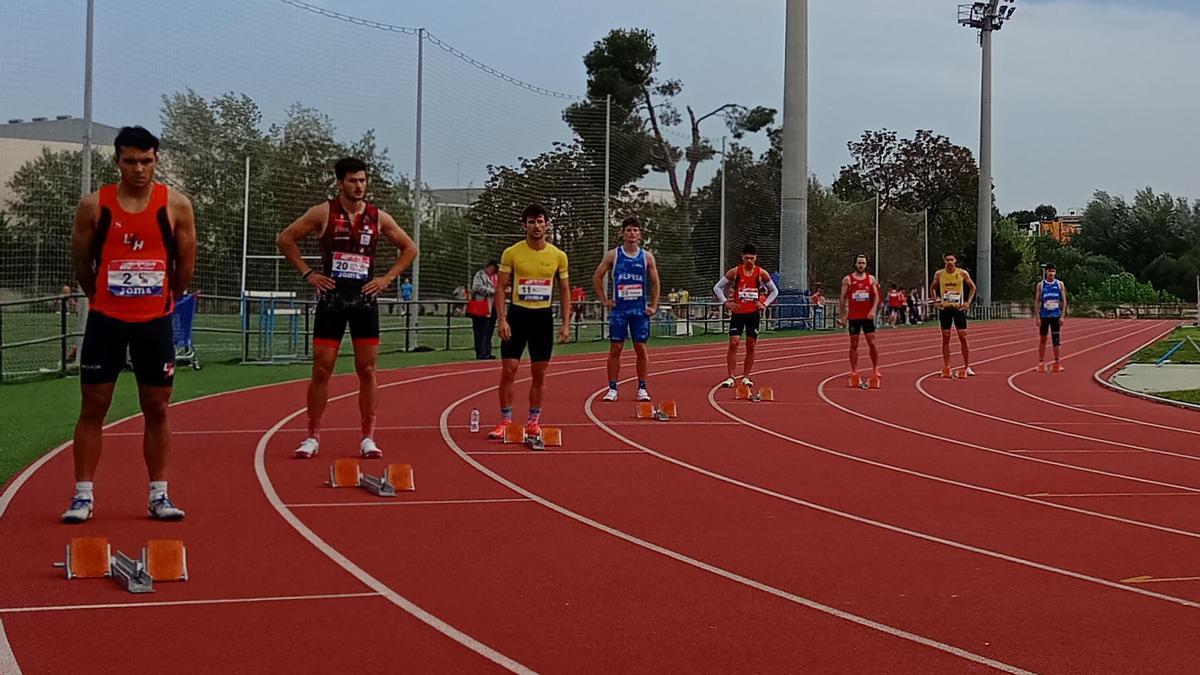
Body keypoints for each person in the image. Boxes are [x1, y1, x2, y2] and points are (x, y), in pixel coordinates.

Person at [62, 125, 197, 523]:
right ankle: (82, 495)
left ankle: (159, 495)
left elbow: (185, 264)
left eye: (146, 160)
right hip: (106, 320)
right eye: (130, 161)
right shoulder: (94, 205)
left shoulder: (176, 205)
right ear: (117, 160)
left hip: (154, 322)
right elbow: (82, 262)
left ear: (156, 160)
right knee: (94, 406)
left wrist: (165, 299)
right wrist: (98, 296)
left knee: (156, 407)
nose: (138, 168)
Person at [277, 157, 418, 460]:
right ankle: (312, 435)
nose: (359, 186)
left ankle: (368, 437)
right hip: (332, 300)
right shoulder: (322, 213)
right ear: (340, 182)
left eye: (363, 180)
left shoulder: (378, 217)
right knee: (322, 369)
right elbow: (285, 239)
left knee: (367, 370)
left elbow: (410, 248)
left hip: (365, 300)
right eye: (353, 180)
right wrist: (308, 273)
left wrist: (387, 278)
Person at [487, 204, 571, 442]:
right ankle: (505, 420)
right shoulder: (512, 253)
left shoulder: (558, 256)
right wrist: (502, 319)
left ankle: (533, 421)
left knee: (539, 372)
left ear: (547, 225)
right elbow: (500, 288)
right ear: (524, 225)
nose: (536, 226)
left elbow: (564, 291)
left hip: (542, 318)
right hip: (517, 316)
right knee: (509, 370)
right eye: (532, 222)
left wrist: (566, 324)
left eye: (540, 221)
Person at [593, 217, 661, 402]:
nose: (632, 233)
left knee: (641, 348)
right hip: (619, 311)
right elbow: (597, 277)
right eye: (629, 230)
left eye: (635, 230)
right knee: (616, 348)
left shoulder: (646, 257)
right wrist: (604, 300)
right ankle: (612, 388)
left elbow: (655, 282)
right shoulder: (613, 255)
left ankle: (642, 388)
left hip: (639, 311)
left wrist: (654, 305)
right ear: (622, 233)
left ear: (640, 234)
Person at [714, 243, 779, 388]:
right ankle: (730, 376)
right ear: (742, 257)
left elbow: (774, 291)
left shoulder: (761, 273)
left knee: (751, 345)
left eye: (752, 258)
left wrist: (765, 304)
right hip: (738, 313)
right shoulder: (735, 272)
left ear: (755, 258)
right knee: (734, 343)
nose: (749, 261)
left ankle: (746, 377)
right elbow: (717, 287)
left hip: (753, 314)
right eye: (747, 258)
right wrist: (726, 302)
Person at [930, 253, 977, 378]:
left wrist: (968, 302)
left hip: (958, 308)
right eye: (947, 260)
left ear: (955, 261)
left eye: (952, 259)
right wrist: (935, 302)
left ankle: (967, 366)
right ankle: (947, 367)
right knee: (946, 337)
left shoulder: (962, 273)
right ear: (944, 261)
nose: (949, 262)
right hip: (945, 308)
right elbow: (933, 288)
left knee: (963, 336)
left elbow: (973, 288)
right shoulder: (939, 274)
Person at [837, 254, 881, 386]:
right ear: (855, 264)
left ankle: (875, 369)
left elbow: (876, 297)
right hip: (854, 317)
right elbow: (842, 298)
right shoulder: (848, 280)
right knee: (854, 344)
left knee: (872, 343)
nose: (861, 265)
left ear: (866, 265)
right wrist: (843, 316)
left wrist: (873, 310)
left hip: (867, 316)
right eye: (859, 263)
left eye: (863, 263)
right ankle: (854, 371)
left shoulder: (871, 279)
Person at [1035, 264, 1068, 372]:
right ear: (1046, 272)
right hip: (1044, 315)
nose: (1051, 273)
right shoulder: (1041, 285)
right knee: (1043, 339)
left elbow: (1064, 300)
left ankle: (1057, 362)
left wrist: (1062, 316)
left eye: (1053, 271)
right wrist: (1037, 317)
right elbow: (1037, 301)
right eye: (1049, 271)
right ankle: (1041, 362)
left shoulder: (1060, 284)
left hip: (1056, 316)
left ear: (1055, 272)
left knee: (1056, 340)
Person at [468, 261, 499, 359]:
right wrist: (492, 291)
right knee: (480, 331)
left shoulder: (497, 276)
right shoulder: (480, 275)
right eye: (492, 268)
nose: (493, 271)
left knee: (489, 331)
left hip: (493, 307)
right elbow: (476, 287)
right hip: (482, 306)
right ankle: (480, 352)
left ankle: (487, 351)